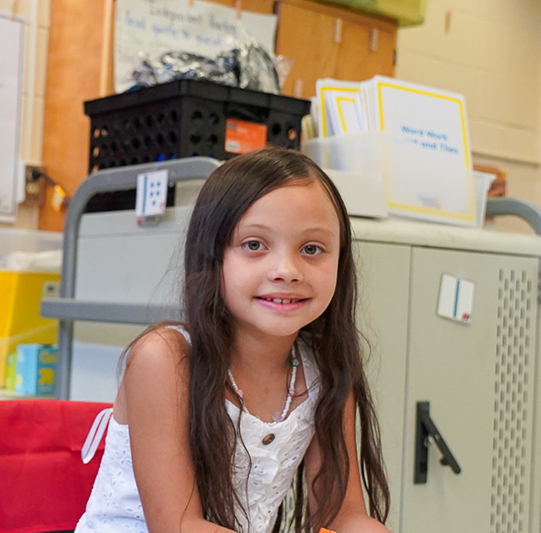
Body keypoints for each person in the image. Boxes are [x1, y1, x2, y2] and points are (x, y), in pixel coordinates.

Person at [76, 148, 391, 533]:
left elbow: (344, 515)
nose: (287, 270)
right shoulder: (165, 358)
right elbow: (179, 526)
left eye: (312, 249)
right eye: (254, 245)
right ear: (213, 256)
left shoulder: (324, 368)